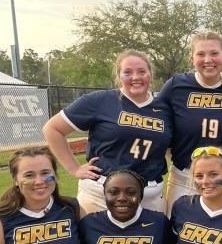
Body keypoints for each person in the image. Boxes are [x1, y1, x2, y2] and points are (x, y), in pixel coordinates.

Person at [43, 50, 171, 213]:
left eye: (142, 72)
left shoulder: (165, 109)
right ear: (118, 76)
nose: (135, 77)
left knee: (153, 239)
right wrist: (74, 169)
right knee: (94, 239)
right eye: (127, 72)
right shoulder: (100, 100)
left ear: (150, 75)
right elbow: (52, 129)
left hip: (149, 196)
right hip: (100, 194)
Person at [158, 31, 222, 211]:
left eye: (214, 53)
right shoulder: (176, 86)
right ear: (192, 58)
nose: (208, 60)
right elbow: (156, 122)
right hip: (186, 177)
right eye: (201, 54)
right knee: (180, 234)